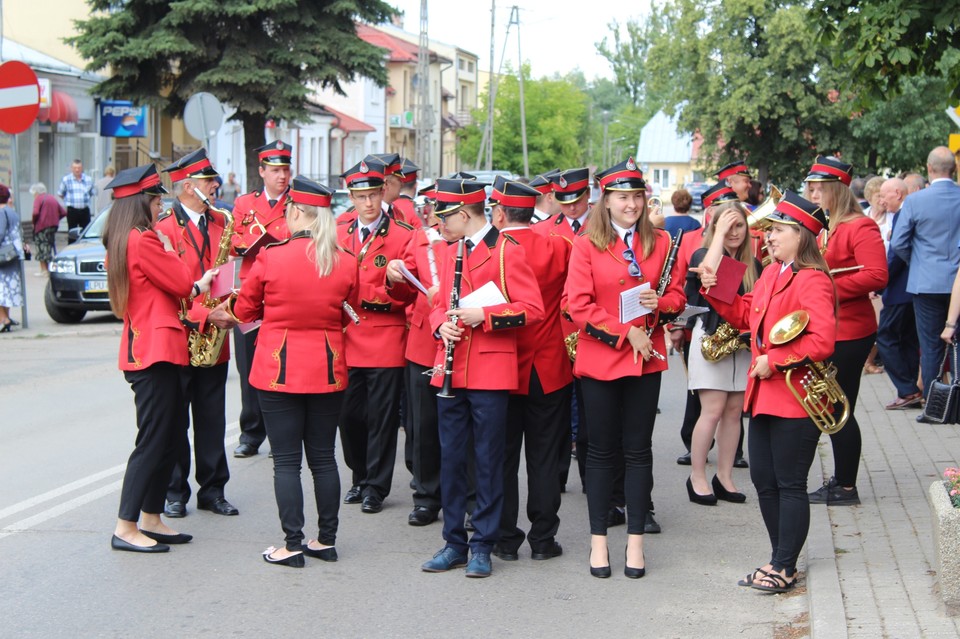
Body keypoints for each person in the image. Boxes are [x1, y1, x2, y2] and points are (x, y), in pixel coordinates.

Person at [696, 190, 837, 593]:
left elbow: (822, 342)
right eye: (770, 229)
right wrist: (713, 285)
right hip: (766, 395)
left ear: (801, 235)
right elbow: (746, 312)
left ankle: (784, 565)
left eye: (777, 230)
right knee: (764, 479)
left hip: (795, 396)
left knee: (789, 483)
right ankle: (781, 559)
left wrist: (774, 361)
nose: (768, 237)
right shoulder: (774, 273)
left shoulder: (812, 279)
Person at [226, 177, 357, 568]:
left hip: (278, 368)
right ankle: (326, 541)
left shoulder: (272, 256)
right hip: (328, 367)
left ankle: (293, 544)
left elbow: (245, 310)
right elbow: (351, 310)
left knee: (286, 461)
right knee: (323, 459)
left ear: (298, 212)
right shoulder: (345, 259)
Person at [565, 157, 685, 579]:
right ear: (606, 200)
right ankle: (599, 543)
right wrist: (623, 333)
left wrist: (663, 304)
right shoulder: (586, 243)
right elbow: (576, 304)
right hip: (602, 359)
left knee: (638, 452)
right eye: (622, 197)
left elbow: (677, 298)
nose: (631, 204)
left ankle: (636, 543)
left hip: (645, 362)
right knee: (599, 454)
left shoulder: (663, 242)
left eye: (637, 196)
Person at [420, 177, 544, 579]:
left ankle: (483, 545)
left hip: (491, 367)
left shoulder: (507, 250)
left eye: (443, 218)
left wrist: (484, 316)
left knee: (489, 461)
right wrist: (442, 326)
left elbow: (533, 309)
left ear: (462, 214)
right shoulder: (446, 250)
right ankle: (453, 541)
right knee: (452, 458)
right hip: (451, 366)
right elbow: (436, 306)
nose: (437, 225)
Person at [104, 163, 216, 553]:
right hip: (154, 352)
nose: (159, 209)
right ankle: (125, 525)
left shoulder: (126, 239)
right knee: (153, 440)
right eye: (156, 202)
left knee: (168, 436)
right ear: (142, 204)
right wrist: (170, 250)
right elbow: (183, 284)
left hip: (154, 350)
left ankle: (151, 517)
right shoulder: (143, 240)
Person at [486, 177, 573, 563]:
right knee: (543, 457)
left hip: (502, 363)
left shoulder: (492, 251)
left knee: (502, 457)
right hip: (548, 363)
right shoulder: (558, 245)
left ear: (500, 212)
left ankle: (506, 539)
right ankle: (542, 539)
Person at [157, 148, 239, 519]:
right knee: (176, 419)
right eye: (208, 181)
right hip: (181, 333)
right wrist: (207, 313)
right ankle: (175, 491)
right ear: (188, 186)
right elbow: (168, 288)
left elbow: (230, 275)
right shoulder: (164, 229)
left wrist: (233, 308)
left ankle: (213, 490)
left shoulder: (222, 223)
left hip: (214, 338)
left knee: (212, 418)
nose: (215, 185)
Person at [804, 156, 888, 506]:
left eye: (820, 189)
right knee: (834, 406)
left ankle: (846, 486)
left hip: (850, 330)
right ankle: (841, 481)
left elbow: (877, 275)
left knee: (838, 406)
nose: (814, 194)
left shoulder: (859, 226)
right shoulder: (828, 226)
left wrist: (828, 287)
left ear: (835, 190)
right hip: (831, 328)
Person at [336, 156, 417, 514]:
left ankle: (375, 486)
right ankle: (358, 474)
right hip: (346, 336)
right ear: (350, 196)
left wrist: (372, 291)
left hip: (384, 334)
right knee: (349, 416)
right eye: (360, 196)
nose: (368, 203)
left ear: (383, 192)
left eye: (373, 194)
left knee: (381, 417)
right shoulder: (338, 232)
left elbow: (410, 290)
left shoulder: (403, 235)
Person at [684, 202, 760, 505]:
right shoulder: (703, 255)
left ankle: (725, 476)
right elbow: (709, 279)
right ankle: (697, 476)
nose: (734, 233)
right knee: (712, 411)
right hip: (711, 339)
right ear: (714, 229)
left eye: (739, 226)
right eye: (727, 227)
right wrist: (718, 234)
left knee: (733, 413)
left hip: (739, 344)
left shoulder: (755, 264)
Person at [231, 140, 293, 459]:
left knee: (282, 365)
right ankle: (251, 433)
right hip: (250, 294)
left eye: (285, 169)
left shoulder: (297, 203)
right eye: (275, 170)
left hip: (284, 294)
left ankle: (280, 432)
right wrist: (251, 244)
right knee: (247, 365)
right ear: (262, 172)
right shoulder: (245, 203)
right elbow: (233, 241)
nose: (282, 176)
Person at [891, 147, 960, 422]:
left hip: (926, 282)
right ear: (953, 170)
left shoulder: (916, 201)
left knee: (930, 345)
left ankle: (935, 408)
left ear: (929, 169)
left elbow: (898, 243)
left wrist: (917, 262)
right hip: (958, 280)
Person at [877, 178, 922, 409]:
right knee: (908, 340)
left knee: (885, 337)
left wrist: (880, 282)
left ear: (898, 193)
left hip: (899, 289)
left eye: (884, 196)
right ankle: (911, 390)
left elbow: (896, 254)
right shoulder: (906, 213)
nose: (881, 201)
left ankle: (908, 389)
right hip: (912, 289)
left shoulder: (906, 213)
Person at [0, 185, 24, 331]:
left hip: (2, 254)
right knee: (6, 290)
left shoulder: (1, 212)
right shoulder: (12, 212)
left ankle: (3, 319)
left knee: (1, 288)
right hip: (12, 254)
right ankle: (5, 318)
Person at [29, 183, 66, 275]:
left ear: (36, 192)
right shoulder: (52, 198)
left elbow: (35, 212)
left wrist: (34, 222)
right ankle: (49, 269)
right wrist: (56, 219)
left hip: (41, 226)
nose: (34, 196)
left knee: (41, 247)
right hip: (53, 226)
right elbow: (63, 212)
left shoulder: (38, 199)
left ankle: (44, 270)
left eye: (34, 193)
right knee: (49, 246)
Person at [57, 159, 95, 241]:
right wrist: (68, 200)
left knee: (85, 232)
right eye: (75, 168)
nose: (77, 170)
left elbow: (92, 192)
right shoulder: (66, 180)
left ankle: (85, 248)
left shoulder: (88, 179)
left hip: (84, 210)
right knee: (72, 232)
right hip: (72, 210)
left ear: (82, 168)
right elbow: (60, 193)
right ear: (71, 168)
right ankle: (72, 248)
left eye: (79, 168)